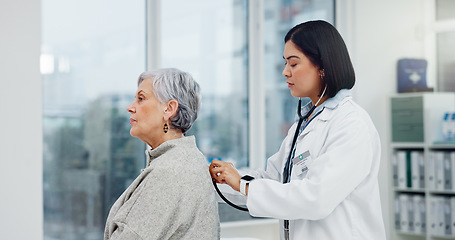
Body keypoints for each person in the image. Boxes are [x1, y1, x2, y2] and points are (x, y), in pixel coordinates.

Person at [209, 20, 386, 240]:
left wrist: (242, 185)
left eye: (293, 64)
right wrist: (218, 182)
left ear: (322, 66)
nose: (285, 72)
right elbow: (273, 180)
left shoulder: (351, 123)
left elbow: (317, 198)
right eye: (285, 63)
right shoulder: (304, 124)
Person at [105, 68, 220, 240]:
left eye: (141, 99)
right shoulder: (188, 158)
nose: (130, 107)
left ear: (169, 109)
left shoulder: (169, 171)